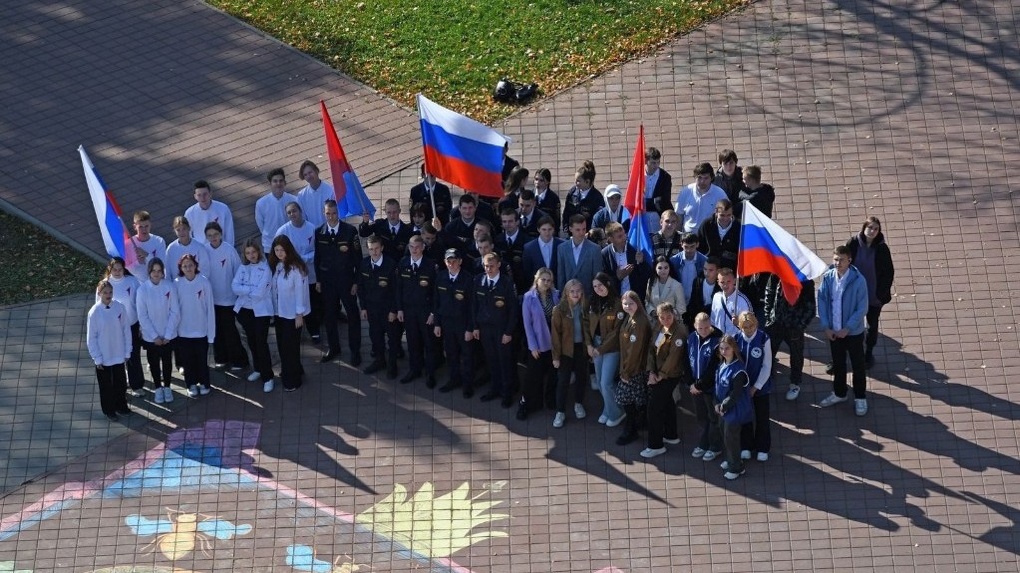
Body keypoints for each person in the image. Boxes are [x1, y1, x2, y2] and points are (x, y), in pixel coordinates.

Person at [818, 245, 870, 415]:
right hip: (834, 331)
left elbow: (862, 308)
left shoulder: (858, 280)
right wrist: (826, 326)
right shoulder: (828, 278)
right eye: (835, 259)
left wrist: (848, 328)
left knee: (858, 365)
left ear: (849, 260)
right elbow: (823, 302)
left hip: (852, 333)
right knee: (838, 364)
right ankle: (840, 393)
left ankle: (860, 397)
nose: (838, 263)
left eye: (841, 260)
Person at [314, 199, 362, 366]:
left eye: (334, 213)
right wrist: (319, 280)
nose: (331, 217)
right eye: (328, 213)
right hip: (328, 283)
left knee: (353, 316)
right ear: (324, 213)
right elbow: (317, 258)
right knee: (329, 316)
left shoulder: (350, 231)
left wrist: (356, 282)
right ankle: (334, 348)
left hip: (346, 281)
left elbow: (358, 259)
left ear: (338, 213)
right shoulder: (319, 232)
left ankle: (355, 351)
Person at [845, 216, 895, 368]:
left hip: (873, 296)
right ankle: (850, 351)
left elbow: (888, 272)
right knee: (851, 323)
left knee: (872, 326)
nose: (872, 231)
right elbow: (844, 263)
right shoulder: (853, 243)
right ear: (864, 228)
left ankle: (869, 353)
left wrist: (881, 294)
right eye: (870, 227)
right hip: (854, 294)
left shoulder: (881, 248)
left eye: (875, 229)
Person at [471, 252, 519, 407]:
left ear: (499, 265)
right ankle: (494, 388)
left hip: (501, 329)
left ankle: (507, 392)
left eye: (491, 266)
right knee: (491, 360)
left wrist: (508, 332)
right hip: (485, 328)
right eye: (486, 266)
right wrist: (475, 326)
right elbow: (474, 306)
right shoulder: (478, 280)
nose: (488, 269)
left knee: (505, 361)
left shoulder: (507, 283)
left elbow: (513, 310)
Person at [641, 302, 686, 458]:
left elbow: (674, 357)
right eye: (662, 317)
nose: (666, 320)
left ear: (673, 315)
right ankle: (671, 435)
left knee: (653, 408)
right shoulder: (659, 327)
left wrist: (659, 376)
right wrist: (651, 371)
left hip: (671, 374)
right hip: (658, 373)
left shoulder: (679, 332)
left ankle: (655, 445)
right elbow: (651, 350)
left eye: (669, 316)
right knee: (667, 403)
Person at [232, 238, 276, 393]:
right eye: (248, 253)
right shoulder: (243, 268)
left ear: (258, 252)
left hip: (261, 313)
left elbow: (260, 293)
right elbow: (234, 286)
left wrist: (245, 289)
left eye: (253, 252)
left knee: (261, 343)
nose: (251, 255)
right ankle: (257, 369)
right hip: (245, 312)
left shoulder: (266, 269)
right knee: (251, 342)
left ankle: (268, 376)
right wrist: (249, 289)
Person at [204, 222, 248, 372]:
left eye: (215, 234)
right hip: (212, 299)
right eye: (209, 236)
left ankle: (239, 360)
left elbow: (238, 271)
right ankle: (221, 358)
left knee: (230, 331)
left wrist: (238, 293)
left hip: (228, 298)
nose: (213, 238)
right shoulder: (204, 250)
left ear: (221, 234)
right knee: (216, 330)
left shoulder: (229, 250)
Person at [763, 275, 815, 401]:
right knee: (769, 352)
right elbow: (769, 294)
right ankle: (766, 378)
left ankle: (795, 383)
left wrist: (800, 324)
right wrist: (769, 317)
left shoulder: (806, 281)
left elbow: (810, 307)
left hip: (794, 326)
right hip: (776, 323)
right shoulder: (775, 276)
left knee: (796, 355)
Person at [87, 279, 133, 421]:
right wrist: (97, 358)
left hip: (118, 353)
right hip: (104, 356)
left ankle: (121, 406)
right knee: (106, 386)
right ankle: (109, 410)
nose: (108, 295)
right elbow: (91, 337)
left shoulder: (119, 308)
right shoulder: (94, 312)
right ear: (99, 293)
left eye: (110, 292)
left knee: (120, 383)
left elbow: (126, 330)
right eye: (105, 292)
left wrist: (127, 351)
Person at [397, 235, 439, 387]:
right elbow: (399, 288)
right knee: (412, 341)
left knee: (429, 343)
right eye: (411, 247)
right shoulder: (403, 263)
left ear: (423, 248)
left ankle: (430, 373)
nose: (414, 250)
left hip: (425, 312)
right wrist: (400, 309)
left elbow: (436, 292)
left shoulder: (430, 265)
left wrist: (433, 313)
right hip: (409, 311)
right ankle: (414, 369)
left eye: (417, 247)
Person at [135, 258, 179, 404]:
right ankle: (158, 388)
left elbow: (175, 311)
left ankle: (167, 386)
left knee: (167, 362)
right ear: (149, 271)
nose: (156, 273)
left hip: (168, 336)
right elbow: (142, 315)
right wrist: (154, 336)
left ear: (163, 272)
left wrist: (167, 335)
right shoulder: (142, 290)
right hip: (150, 337)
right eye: (153, 270)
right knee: (153, 363)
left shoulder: (169, 286)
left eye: (159, 271)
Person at [270, 235, 310, 391]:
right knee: (282, 345)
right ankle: (293, 370)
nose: (279, 253)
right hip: (280, 313)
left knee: (290, 347)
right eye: (277, 250)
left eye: (282, 250)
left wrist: (299, 314)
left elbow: (300, 292)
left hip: (292, 315)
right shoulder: (278, 266)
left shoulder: (295, 268)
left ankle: (292, 380)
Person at [433, 248, 475, 397]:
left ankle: (467, 384)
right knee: (451, 353)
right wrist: (437, 323)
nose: (451, 264)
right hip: (446, 323)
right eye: (448, 261)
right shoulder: (441, 277)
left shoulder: (468, 279)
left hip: (463, 324)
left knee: (467, 355)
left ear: (460, 262)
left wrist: (470, 328)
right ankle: (454, 379)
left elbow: (472, 307)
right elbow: (436, 302)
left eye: (454, 261)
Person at [519, 268, 560, 420]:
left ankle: (550, 400)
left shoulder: (556, 295)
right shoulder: (528, 298)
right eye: (543, 279)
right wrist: (533, 346)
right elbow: (527, 324)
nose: (546, 283)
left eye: (549, 280)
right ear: (537, 279)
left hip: (554, 342)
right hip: (538, 342)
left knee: (553, 374)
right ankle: (527, 404)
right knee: (533, 376)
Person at [275, 201, 320, 341]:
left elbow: (318, 251)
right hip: (292, 274)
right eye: (289, 212)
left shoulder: (312, 228)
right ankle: (297, 331)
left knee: (311, 301)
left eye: (294, 211)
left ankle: (314, 330)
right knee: (296, 302)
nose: (292, 214)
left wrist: (305, 258)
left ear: (300, 211)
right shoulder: (283, 231)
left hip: (310, 273)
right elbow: (277, 252)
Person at [101, 257, 145, 396]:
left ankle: (137, 385)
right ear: (110, 269)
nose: (118, 272)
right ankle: (121, 383)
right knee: (118, 356)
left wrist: (141, 325)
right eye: (115, 269)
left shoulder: (132, 282)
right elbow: (100, 307)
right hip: (114, 329)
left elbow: (140, 304)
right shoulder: (104, 285)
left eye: (120, 269)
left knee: (133, 355)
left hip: (131, 325)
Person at [174, 254, 215, 397]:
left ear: (196, 266)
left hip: (201, 331)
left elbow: (210, 308)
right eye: (185, 266)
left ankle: (204, 383)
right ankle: (191, 384)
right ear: (181, 268)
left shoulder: (204, 283)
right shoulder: (177, 283)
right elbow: (174, 309)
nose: (188, 268)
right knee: (188, 361)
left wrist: (211, 334)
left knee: (202, 360)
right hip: (183, 332)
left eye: (190, 265)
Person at [358, 234, 400, 378]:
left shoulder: (391, 265)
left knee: (393, 339)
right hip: (371, 309)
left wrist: (393, 310)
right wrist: (363, 307)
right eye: (371, 249)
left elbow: (396, 290)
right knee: (375, 336)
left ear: (382, 248)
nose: (374, 252)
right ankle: (380, 360)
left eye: (376, 248)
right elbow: (361, 288)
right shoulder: (363, 264)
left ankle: (392, 365)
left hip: (387, 310)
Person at [550, 279, 590, 428]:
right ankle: (560, 411)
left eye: (578, 291)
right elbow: (555, 335)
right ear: (566, 292)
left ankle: (578, 403)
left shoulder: (585, 307)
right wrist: (556, 356)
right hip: (566, 350)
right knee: (563, 381)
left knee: (581, 378)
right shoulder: (559, 310)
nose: (575, 294)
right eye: (572, 291)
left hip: (581, 348)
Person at [588, 273, 625, 427]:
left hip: (610, 348)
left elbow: (616, 332)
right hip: (595, 345)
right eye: (595, 286)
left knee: (606, 383)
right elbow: (586, 324)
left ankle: (618, 413)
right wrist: (589, 345)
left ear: (608, 284)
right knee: (600, 381)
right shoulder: (593, 302)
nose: (598, 289)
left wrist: (600, 349)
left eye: (601, 285)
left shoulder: (618, 303)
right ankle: (608, 409)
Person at [615, 290, 652, 445]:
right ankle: (637, 424)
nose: (628, 306)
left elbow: (634, 351)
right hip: (631, 367)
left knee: (625, 398)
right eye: (625, 303)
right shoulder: (630, 318)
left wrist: (626, 372)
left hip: (634, 369)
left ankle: (631, 429)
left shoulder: (639, 323)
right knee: (636, 399)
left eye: (631, 303)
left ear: (638, 303)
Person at [735, 311, 772, 462]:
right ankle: (746, 446)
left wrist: (756, 386)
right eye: (745, 327)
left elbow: (767, 365)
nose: (748, 329)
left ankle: (762, 448)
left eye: (751, 326)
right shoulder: (737, 339)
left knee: (762, 417)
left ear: (756, 324)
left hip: (761, 387)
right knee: (746, 417)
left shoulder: (763, 338)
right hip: (743, 387)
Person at [714, 335, 752, 480]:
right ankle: (731, 460)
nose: (724, 351)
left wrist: (722, 406)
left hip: (734, 411)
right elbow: (717, 388)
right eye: (722, 348)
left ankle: (736, 467)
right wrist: (716, 404)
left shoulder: (738, 370)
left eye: (727, 348)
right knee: (725, 436)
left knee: (732, 439)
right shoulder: (721, 364)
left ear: (734, 349)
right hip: (723, 410)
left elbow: (735, 394)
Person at [688, 312, 723, 461]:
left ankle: (715, 447)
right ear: (695, 326)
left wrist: (700, 385)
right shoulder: (691, 338)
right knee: (701, 417)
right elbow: (686, 359)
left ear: (711, 326)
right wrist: (690, 382)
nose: (703, 331)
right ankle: (704, 443)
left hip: (709, 388)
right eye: (700, 328)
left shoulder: (717, 342)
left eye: (706, 327)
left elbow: (713, 368)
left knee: (713, 418)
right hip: (694, 386)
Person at [602, 222, 650, 304]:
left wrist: (642, 262)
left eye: (624, 234)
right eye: (619, 236)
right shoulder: (605, 254)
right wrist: (617, 277)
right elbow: (603, 280)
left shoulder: (635, 250)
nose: (624, 238)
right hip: (615, 300)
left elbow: (646, 275)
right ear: (611, 239)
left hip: (635, 299)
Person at [255, 168, 298, 257]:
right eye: (275, 181)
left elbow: (297, 221)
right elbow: (261, 226)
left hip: (290, 244)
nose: (278, 184)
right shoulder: (261, 203)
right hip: (270, 246)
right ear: (270, 183)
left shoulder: (294, 200)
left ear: (284, 183)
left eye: (281, 181)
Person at [556, 214, 602, 297]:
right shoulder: (562, 248)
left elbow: (597, 277)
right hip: (569, 298)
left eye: (584, 229)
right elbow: (561, 276)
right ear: (570, 229)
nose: (581, 233)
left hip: (587, 297)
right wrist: (562, 297)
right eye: (578, 230)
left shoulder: (595, 249)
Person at [676, 163, 727, 233]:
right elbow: (679, 215)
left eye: (706, 178)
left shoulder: (720, 194)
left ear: (711, 178)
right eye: (699, 178)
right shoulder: (685, 192)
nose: (702, 181)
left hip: (710, 236)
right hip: (689, 237)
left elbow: (726, 216)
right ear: (694, 177)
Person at [697, 199, 741, 275]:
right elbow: (699, 247)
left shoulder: (739, 227)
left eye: (728, 215)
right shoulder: (707, 225)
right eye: (722, 215)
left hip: (729, 272)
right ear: (716, 212)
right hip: (708, 270)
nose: (725, 219)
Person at [185, 180, 234, 246]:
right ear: (195, 196)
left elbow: (229, 233)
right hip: (201, 250)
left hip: (220, 249)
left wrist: (229, 251)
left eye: (205, 194)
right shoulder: (190, 213)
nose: (202, 198)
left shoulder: (223, 209)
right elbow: (188, 235)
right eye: (199, 195)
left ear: (210, 193)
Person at [561, 161, 604, 234]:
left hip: (588, 236)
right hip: (571, 235)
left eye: (578, 181)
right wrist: (566, 231)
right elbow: (566, 214)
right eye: (575, 180)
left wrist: (590, 234)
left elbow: (598, 220)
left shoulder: (597, 197)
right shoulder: (572, 193)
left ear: (587, 181)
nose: (575, 183)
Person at [646, 256, 686, 332]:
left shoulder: (677, 285)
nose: (663, 270)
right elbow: (647, 302)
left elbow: (681, 308)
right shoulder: (651, 282)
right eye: (660, 268)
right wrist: (652, 311)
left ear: (669, 268)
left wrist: (667, 315)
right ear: (655, 268)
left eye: (666, 267)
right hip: (654, 324)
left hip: (672, 324)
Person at [495, 208, 529, 295]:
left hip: (522, 286)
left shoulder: (527, 241)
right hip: (502, 287)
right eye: (504, 221)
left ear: (517, 222)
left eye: (510, 221)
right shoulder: (497, 240)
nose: (507, 224)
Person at [710, 267, 752, 336]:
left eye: (728, 281)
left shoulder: (742, 301)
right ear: (718, 282)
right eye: (722, 282)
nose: (725, 285)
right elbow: (713, 320)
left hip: (735, 341)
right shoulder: (716, 297)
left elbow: (751, 325)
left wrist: (739, 323)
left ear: (734, 281)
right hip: (719, 340)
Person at [670, 232, 706, 310]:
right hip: (678, 300)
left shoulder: (704, 261)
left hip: (696, 301)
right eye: (686, 247)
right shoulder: (673, 261)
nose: (689, 250)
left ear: (697, 244)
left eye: (692, 246)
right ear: (681, 244)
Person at [522, 216, 563, 287]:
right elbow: (527, 272)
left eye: (549, 229)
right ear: (538, 229)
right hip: (537, 289)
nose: (547, 233)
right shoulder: (529, 248)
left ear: (553, 229)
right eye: (544, 229)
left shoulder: (561, 245)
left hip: (557, 288)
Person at [128, 211, 168, 278]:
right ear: (135, 227)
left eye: (146, 226)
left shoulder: (159, 241)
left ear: (150, 225)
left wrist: (146, 255)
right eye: (140, 227)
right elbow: (126, 267)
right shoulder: (129, 243)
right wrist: (138, 262)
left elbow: (161, 265)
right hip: (137, 284)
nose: (144, 229)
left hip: (156, 282)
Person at [642, 146, 673, 233]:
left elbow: (664, 200)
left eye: (658, 162)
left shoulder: (665, 177)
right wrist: (654, 202)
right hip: (642, 217)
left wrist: (645, 203)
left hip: (658, 217)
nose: (656, 165)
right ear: (645, 161)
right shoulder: (637, 176)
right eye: (653, 163)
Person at [296, 160, 335, 229]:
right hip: (312, 232)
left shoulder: (330, 190)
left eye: (310, 172)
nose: (308, 176)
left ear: (316, 171)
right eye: (305, 175)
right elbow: (303, 218)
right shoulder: (301, 195)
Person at [687, 257, 721, 330]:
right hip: (698, 321)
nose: (706, 273)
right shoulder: (697, 282)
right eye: (705, 269)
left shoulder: (721, 286)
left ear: (717, 271)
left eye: (710, 270)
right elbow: (692, 302)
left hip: (713, 323)